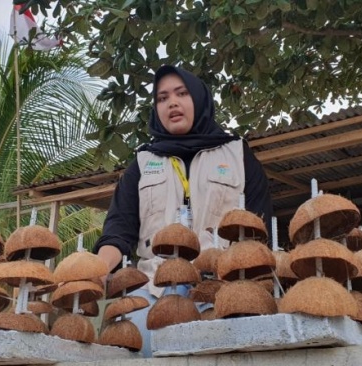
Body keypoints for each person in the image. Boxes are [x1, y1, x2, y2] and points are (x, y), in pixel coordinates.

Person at [94, 65, 273, 357]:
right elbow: (119, 230)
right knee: (123, 343)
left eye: (181, 93)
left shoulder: (238, 154)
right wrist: (95, 271)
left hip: (223, 287)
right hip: (152, 288)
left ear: (200, 99)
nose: (172, 103)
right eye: (162, 98)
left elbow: (258, 228)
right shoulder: (142, 162)